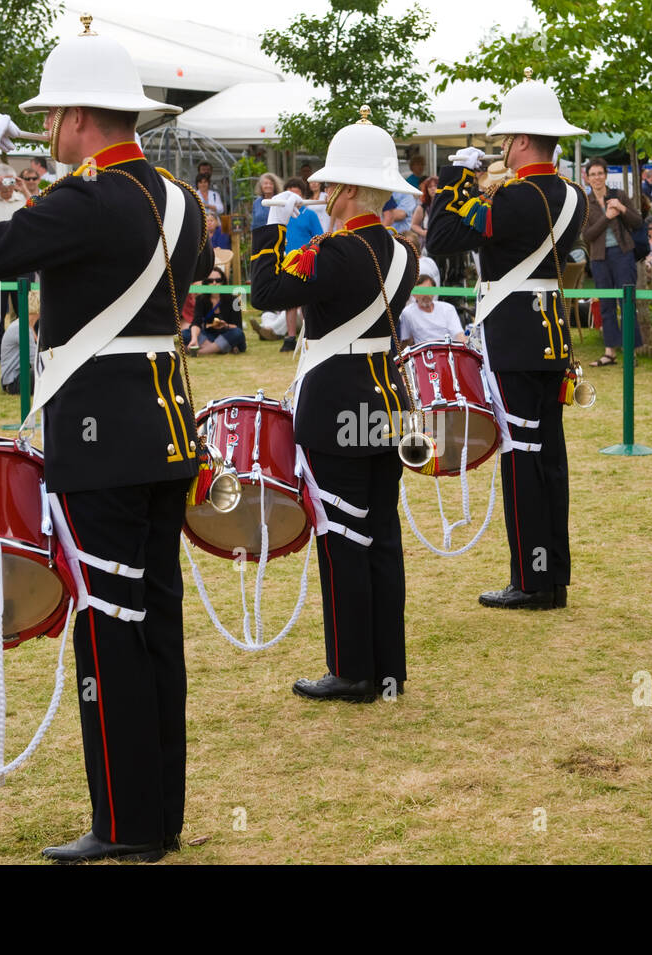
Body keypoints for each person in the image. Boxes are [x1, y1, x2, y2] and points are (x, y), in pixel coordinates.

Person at [0, 17, 211, 862]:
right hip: (166, 429)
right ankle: (158, 814)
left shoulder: (87, 198)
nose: (46, 130)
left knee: (108, 626)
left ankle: (125, 825)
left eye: (52, 115)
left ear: (81, 118)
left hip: (106, 444)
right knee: (155, 624)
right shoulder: (179, 199)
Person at [250, 107, 419, 702]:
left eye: (327, 186)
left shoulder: (330, 251)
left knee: (343, 534)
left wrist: (270, 229)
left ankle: (352, 670)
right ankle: (389, 668)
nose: (321, 193)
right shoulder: (405, 254)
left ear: (346, 190)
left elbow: (265, 293)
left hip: (336, 402)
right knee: (382, 533)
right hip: (387, 400)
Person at [427, 69, 588, 610]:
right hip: (549, 330)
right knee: (551, 456)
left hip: (513, 331)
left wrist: (454, 175)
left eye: (504, 140)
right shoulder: (574, 195)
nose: (501, 148)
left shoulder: (517, 197)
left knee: (521, 455)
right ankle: (553, 574)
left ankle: (531, 580)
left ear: (520, 140)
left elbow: (442, 235)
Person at [582, 155, 642, 367]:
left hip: (623, 254)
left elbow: (637, 222)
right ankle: (610, 352)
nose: (597, 178)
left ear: (606, 176)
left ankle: (631, 352)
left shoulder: (619, 195)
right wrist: (607, 216)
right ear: (587, 178)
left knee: (626, 303)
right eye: (592, 174)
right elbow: (587, 236)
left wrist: (622, 208)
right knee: (606, 305)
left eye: (600, 173)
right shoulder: (585, 203)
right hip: (600, 258)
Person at [0, 163, 31, 365]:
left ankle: (28, 349)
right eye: (4, 182)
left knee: (25, 310)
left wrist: (25, 189)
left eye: (11, 180)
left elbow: (40, 209)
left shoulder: (23, 200)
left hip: (22, 260)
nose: (8, 186)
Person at [277, 176, 325, 352]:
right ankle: (290, 337)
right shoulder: (281, 214)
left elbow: (319, 237)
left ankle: (309, 335)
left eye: (296, 193)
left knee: (307, 302)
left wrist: (309, 253)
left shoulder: (310, 214)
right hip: (287, 262)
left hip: (305, 262)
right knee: (290, 302)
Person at [397, 275, 464, 346]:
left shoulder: (448, 309)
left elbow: (459, 335)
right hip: (423, 354)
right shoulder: (407, 313)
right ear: (414, 294)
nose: (426, 294)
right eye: (421, 291)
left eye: (429, 290)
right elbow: (406, 341)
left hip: (449, 350)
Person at [191, 266, 245, 354]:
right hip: (209, 335)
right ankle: (221, 347)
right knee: (186, 333)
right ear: (206, 283)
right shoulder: (200, 299)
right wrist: (194, 338)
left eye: (218, 280)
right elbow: (196, 322)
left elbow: (238, 327)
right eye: (210, 281)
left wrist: (225, 325)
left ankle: (202, 351)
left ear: (223, 282)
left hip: (227, 333)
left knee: (238, 333)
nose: (214, 283)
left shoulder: (234, 300)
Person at [0, 289, 39, 395]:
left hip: (15, 379)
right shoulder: (22, 328)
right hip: (14, 383)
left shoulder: (25, 326)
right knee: (47, 371)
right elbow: (34, 360)